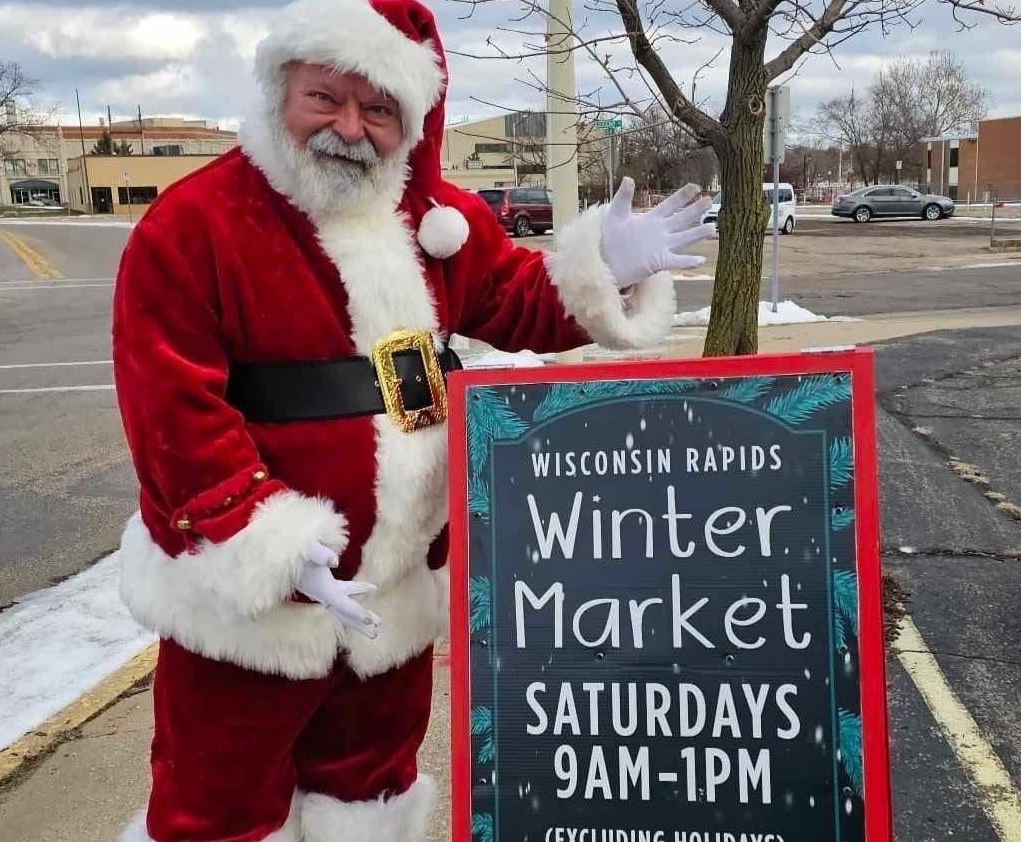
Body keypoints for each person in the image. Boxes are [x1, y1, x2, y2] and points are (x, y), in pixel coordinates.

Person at [110, 0, 710, 839]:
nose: (350, 128)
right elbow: (172, 410)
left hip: (392, 599)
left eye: (378, 109)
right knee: (219, 808)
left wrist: (603, 267)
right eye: (327, 98)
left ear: (411, 121)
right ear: (282, 88)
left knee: (370, 793)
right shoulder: (194, 225)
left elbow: (519, 303)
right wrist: (264, 540)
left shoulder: (437, 222)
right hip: (249, 615)